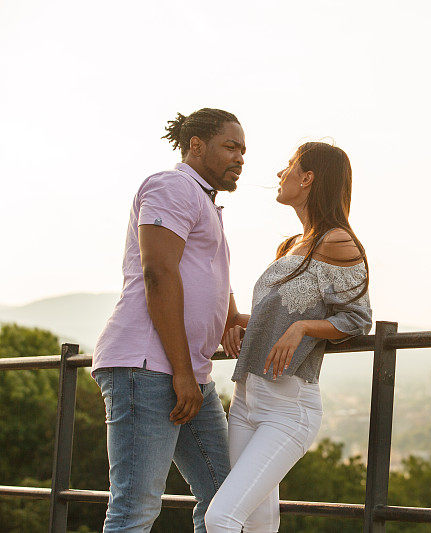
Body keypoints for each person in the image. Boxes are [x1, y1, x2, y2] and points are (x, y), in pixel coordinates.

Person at [91, 108, 249, 532]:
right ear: (196, 146)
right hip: (148, 368)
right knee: (135, 508)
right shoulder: (171, 186)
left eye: (243, 150)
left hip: (186, 372)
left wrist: (282, 322)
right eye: (230, 146)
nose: (240, 158)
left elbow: (212, 286)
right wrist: (182, 372)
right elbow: (157, 273)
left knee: (226, 499)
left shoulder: (207, 204)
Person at [204, 142, 372, 532]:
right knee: (257, 526)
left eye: (290, 167)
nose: (281, 175)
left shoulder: (338, 242)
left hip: (288, 408)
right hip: (246, 402)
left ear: (308, 178)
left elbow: (358, 318)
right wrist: (241, 324)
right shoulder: (289, 247)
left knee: (221, 518)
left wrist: (302, 328)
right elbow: (275, 317)